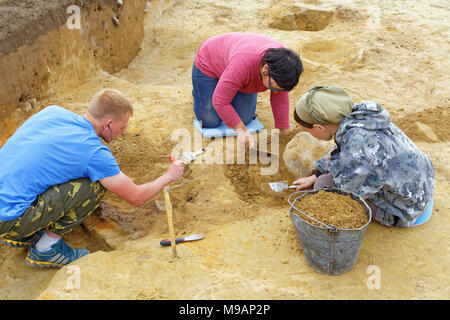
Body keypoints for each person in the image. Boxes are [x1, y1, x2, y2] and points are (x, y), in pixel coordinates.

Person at [0, 88, 185, 267]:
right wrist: (169, 176)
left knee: (52, 172)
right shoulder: (94, 153)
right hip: (8, 220)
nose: (123, 133)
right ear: (108, 124)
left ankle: (27, 233)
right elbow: (136, 197)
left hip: (6, 200)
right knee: (95, 185)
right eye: (122, 128)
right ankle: (46, 248)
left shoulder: (53, 112)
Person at [292, 85, 435, 228]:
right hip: (424, 184)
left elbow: (349, 189)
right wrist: (316, 173)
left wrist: (325, 175)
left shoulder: (358, 147)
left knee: (323, 186)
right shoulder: (359, 116)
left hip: (408, 208)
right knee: (323, 178)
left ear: (319, 127)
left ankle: (392, 216)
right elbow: (341, 151)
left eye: (307, 131)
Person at [192, 32, 303, 148]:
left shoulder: (286, 67)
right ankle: (201, 92)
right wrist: (242, 132)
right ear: (265, 69)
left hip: (237, 71)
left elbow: (280, 99)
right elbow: (220, 102)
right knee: (210, 121)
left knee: (244, 119)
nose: (275, 92)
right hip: (210, 63)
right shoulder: (243, 64)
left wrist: (285, 132)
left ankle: (229, 86)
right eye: (272, 87)